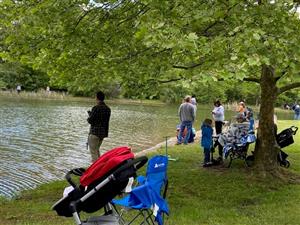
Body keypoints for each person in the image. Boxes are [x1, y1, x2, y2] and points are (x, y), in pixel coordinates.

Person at [87, 91, 111, 162]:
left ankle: (96, 170)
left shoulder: (96, 108)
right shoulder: (108, 109)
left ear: (97, 98)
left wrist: (89, 116)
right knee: (97, 151)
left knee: (93, 153)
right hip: (102, 134)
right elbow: (104, 121)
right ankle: (101, 166)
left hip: (94, 133)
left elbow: (90, 121)